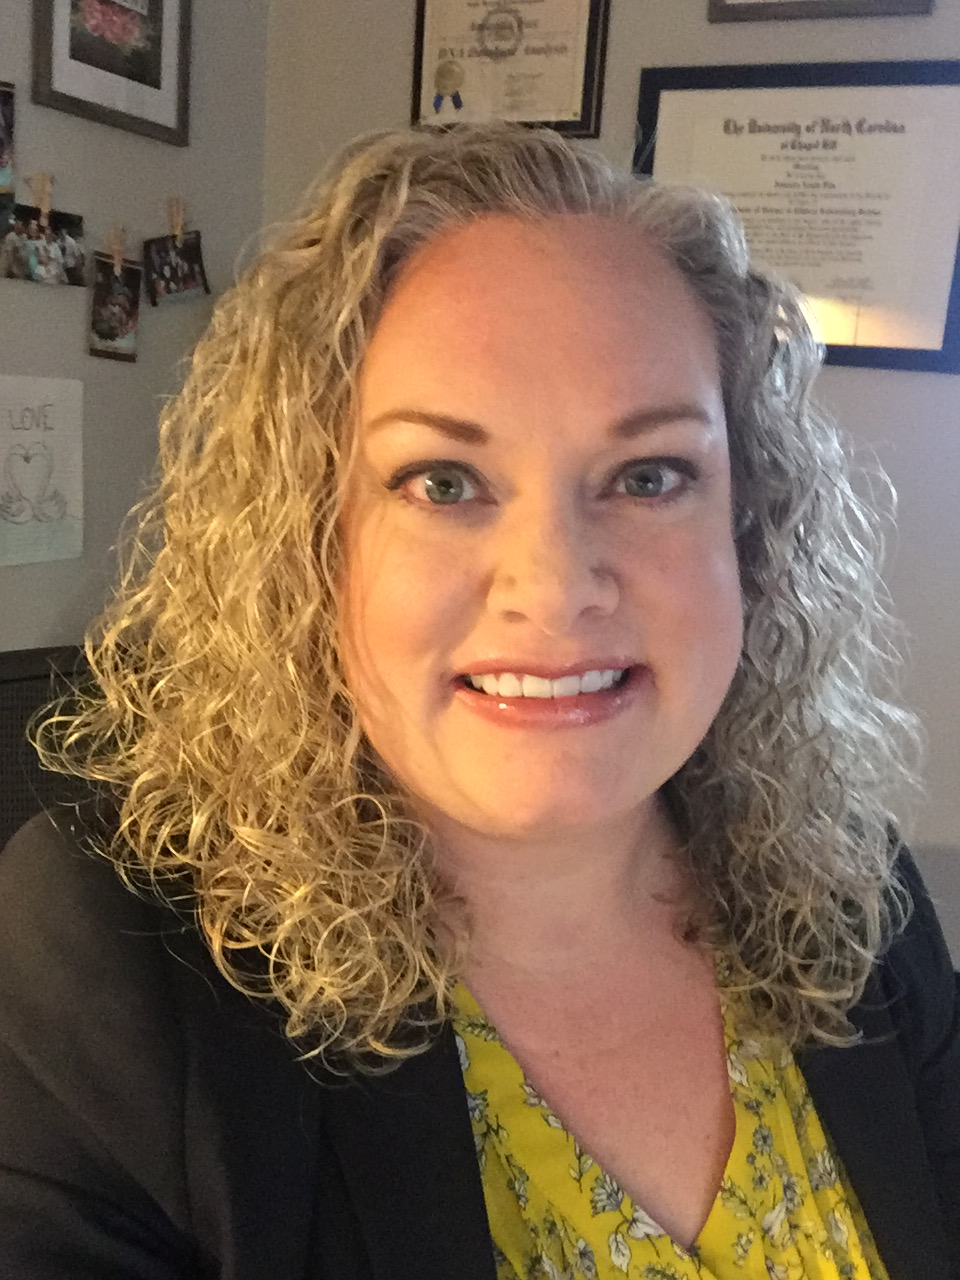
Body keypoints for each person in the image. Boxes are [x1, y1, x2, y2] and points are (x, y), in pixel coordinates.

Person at [0, 124, 956, 1280]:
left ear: (749, 531)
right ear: (311, 545)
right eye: (442, 482)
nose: (555, 587)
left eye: (649, 476)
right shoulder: (110, 970)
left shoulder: (859, 904)